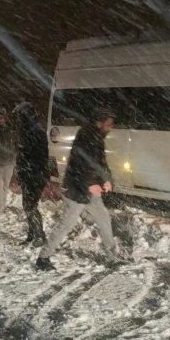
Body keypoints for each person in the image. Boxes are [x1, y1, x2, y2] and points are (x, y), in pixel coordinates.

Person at [35, 107, 121, 271]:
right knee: (65, 224)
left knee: (104, 219)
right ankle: (43, 258)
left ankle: (112, 258)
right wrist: (90, 184)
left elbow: (100, 164)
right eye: (109, 124)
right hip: (76, 190)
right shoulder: (87, 136)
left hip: (89, 191)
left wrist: (107, 179)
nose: (111, 127)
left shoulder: (96, 137)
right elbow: (81, 164)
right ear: (99, 122)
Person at [12, 102, 50, 245]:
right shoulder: (27, 131)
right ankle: (32, 234)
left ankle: (39, 235)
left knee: (30, 206)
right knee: (28, 205)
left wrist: (28, 168)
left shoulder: (36, 132)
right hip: (28, 175)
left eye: (21, 117)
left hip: (34, 175)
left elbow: (38, 156)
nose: (19, 120)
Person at [0, 107, 17, 214]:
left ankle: (2, 206)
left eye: (1, 117)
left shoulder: (10, 130)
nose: (0, 120)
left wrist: (14, 160)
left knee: (5, 186)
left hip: (8, 162)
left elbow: (14, 145)